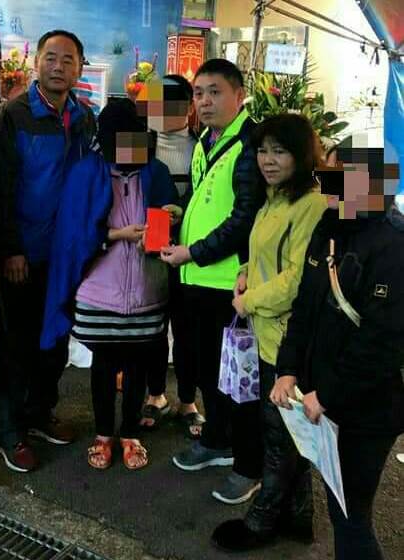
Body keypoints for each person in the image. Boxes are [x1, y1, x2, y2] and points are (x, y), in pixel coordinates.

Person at [214, 155, 404, 557]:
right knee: (340, 507)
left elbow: (381, 342)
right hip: (320, 400)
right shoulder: (329, 227)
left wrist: (327, 394)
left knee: (351, 516)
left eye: (336, 175)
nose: (325, 183)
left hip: (367, 410)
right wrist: (287, 371)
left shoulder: (393, 245)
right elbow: (304, 307)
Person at [209, 114, 326, 545]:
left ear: (302, 155)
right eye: (262, 150)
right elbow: (263, 254)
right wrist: (244, 271)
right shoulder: (273, 199)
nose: (268, 160)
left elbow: (298, 279)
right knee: (290, 434)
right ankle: (298, 517)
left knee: (278, 437)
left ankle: (261, 523)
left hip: (288, 338)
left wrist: (250, 300)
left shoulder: (310, 204)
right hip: (268, 332)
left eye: (280, 151)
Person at [0, 30, 95, 472]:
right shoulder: (13, 115)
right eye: (51, 57)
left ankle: (39, 411)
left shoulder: (85, 118)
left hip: (66, 256)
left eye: (68, 60)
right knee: (16, 344)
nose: (58, 66)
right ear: (36, 63)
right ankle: (9, 428)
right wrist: (10, 249)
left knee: (54, 340)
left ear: (80, 67)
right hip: (24, 254)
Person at [60, 99, 179, 470]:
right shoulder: (87, 172)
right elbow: (73, 231)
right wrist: (116, 234)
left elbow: (173, 218)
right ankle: (102, 433)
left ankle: (129, 433)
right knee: (104, 364)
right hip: (100, 290)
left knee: (138, 365)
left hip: (146, 288)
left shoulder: (156, 172)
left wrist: (167, 223)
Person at [160, 59, 265, 479]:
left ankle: (248, 463)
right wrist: (181, 213)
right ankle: (216, 440)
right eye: (199, 93)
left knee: (240, 379)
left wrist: (193, 252)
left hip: (229, 286)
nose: (204, 101)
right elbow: (208, 198)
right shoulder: (206, 139)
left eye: (215, 92)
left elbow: (244, 219)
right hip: (197, 279)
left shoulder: (252, 143)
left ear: (239, 95)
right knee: (208, 371)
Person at [136, 75, 204, 436]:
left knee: (188, 329)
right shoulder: (140, 146)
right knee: (154, 329)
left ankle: (188, 400)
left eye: (169, 103)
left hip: (192, 253)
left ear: (188, 107)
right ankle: (156, 394)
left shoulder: (203, 147)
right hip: (151, 251)